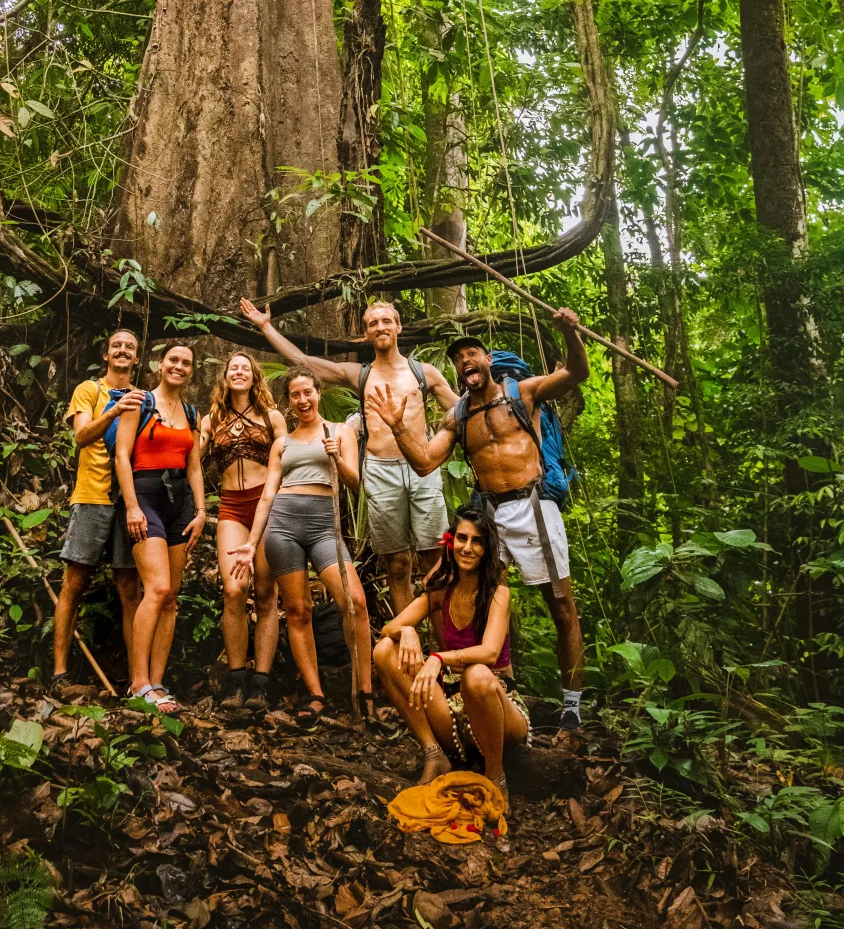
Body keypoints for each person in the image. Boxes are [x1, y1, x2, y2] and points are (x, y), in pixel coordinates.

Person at [372, 315, 589, 732]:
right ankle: (489, 687)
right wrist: (398, 426)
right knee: (473, 599)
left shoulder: (522, 394)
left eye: (471, 353)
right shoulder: (457, 417)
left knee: (560, 604)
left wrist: (568, 331)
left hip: (534, 505)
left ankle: (572, 704)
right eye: (457, 358)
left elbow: (577, 372)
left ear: (487, 360)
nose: (463, 360)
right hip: (489, 515)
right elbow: (423, 463)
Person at [239, 296, 454, 614]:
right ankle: (407, 648)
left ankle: (443, 652)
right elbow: (304, 361)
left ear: (398, 327)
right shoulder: (360, 375)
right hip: (380, 471)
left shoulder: (425, 373)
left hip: (421, 469)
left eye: (385, 321)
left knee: (434, 560)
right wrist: (266, 326)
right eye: (372, 323)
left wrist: (440, 448)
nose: (380, 327)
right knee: (397, 563)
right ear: (366, 334)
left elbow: (462, 411)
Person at [229, 371, 374, 725]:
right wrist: (250, 543)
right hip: (283, 526)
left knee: (354, 603)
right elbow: (268, 494)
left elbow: (355, 482)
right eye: (295, 395)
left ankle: (365, 691)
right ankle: (316, 695)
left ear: (318, 393)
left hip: (324, 528)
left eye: (307, 392)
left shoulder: (341, 432)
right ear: (289, 401)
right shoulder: (283, 444)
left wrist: (337, 457)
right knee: (297, 611)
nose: (303, 400)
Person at [373, 502, 530, 798]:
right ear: (451, 542)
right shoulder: (442, 591)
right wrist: (407, 631)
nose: (467, 548)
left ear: (487, 548)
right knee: (384, 650)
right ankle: (434, 754)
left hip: (498, 708)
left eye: (477, 541)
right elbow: (389, 629)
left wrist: (438, 659)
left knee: (477, 676)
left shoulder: (499, 593)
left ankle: (495, 777)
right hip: (454, 718)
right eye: (461, 538)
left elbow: (489, 653)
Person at [112, 341, 207, 714]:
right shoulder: (140, 401)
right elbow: (122, 454)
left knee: (171, 599)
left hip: (180, 502)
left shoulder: (191, 412)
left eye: (186, 363)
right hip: (145, 497)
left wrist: (201, 511)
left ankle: (157, 682)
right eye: (173, 360)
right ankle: (138, 684)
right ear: (160, 364)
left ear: (191, 370)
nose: (179, 367)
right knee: (157, 588)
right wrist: (132, 506)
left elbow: (194, 465)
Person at [50, 327, 142, 699]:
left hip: (128, 502)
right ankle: (59, 672)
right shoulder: (90, 391)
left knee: (129, 589)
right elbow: (82, 436)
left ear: (137, 359)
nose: (122, 350)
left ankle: (139, 679)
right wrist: (115, 409)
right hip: (92, 496)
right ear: (106, 355)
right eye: (116, 345)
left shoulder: (143, 397)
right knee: (74, 582)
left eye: (129, 347)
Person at [200, 353, 287, 710]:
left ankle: (261, 684)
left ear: (254, 378)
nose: (239, 372)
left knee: (266, 594)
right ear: (225, 376)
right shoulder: (212, 418)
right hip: (231, 507)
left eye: (245, 369)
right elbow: (192, 459)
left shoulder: (272, 416)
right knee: (234, 591)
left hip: (267, 506)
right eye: (233, 368)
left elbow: (290, 456)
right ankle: (236, 679)